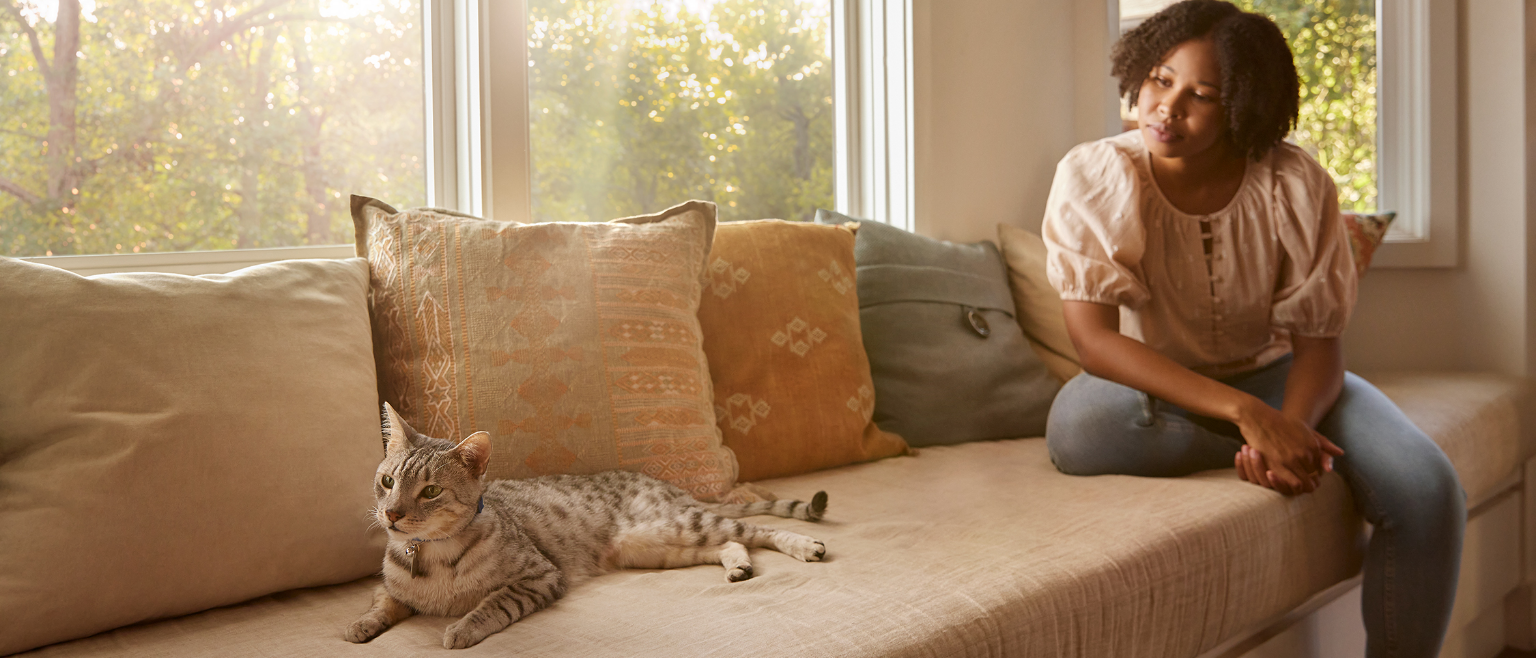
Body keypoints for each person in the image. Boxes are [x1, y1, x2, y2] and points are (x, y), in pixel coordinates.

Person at [1040, 1, 1464, 655]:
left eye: (1201, 95)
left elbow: (1319, 349)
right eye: (1158, 79)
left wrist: (1286, 422)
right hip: (1157, 386)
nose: (1167, 107)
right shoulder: (1097, 175)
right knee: (1080, 426)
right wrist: (1249, 419)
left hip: (1283, 377)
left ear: (1243, 103)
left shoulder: (1296, 183)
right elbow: (1094, 343)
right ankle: (1281, 442)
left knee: (1428, 487)